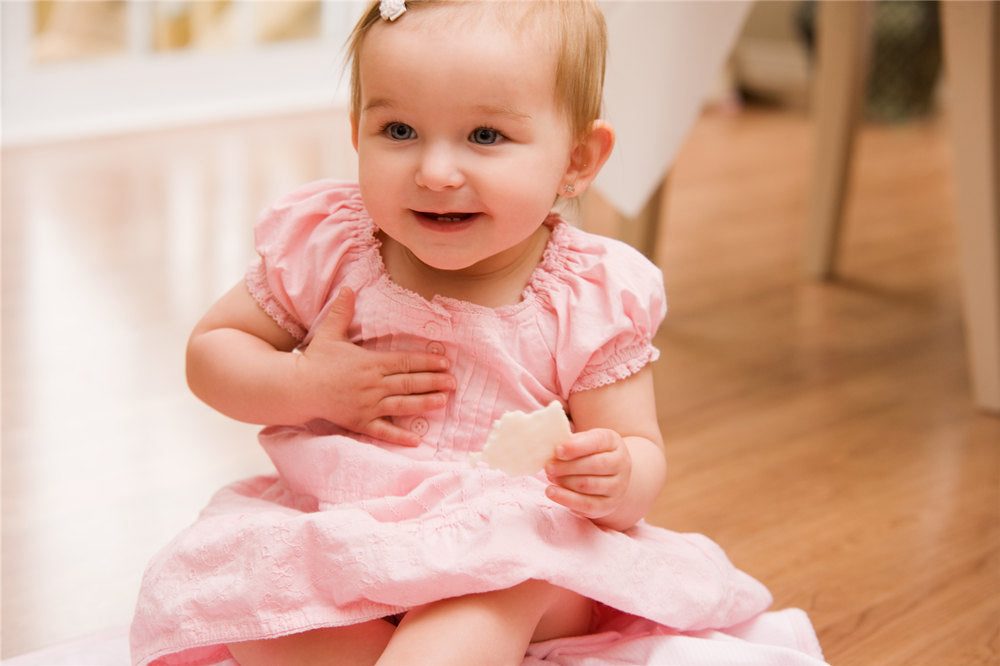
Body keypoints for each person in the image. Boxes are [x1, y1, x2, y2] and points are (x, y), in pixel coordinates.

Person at [131, 2, 825, 665]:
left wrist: (616, 475)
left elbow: (639, 449)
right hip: (344, 530)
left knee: (484, 598)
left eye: (485, 137)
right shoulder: (334, 248)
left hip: (513, 550)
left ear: (578, 160)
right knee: (257, 604)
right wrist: (305, 383)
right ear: (356, 131)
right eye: (398, 131)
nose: (434, 172)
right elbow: (211, 353)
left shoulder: (587, 294)